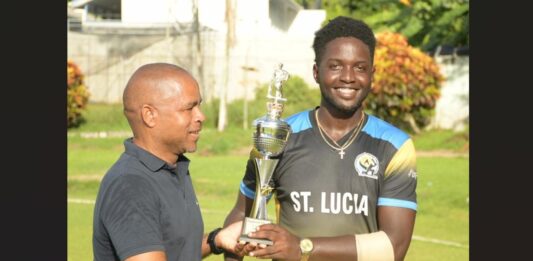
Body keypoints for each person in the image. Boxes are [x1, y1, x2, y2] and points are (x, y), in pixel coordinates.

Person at [223, 16, 418, 261]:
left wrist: (302, 248)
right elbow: (242, 214)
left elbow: (394, 246)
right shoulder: (280, 136)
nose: (348, 76)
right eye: (335, 66)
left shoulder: (394, 145)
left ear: (372, 74)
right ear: (316, 72)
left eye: (360, 67)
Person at [92, 63, 243, 261]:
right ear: (150, 115)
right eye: (189, 108)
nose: (201, 116)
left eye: (199, 105)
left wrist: (215, 240)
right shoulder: (131, 185)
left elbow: (176, 251)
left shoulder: (170, 168)